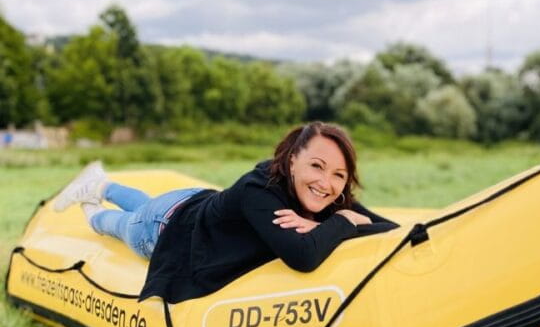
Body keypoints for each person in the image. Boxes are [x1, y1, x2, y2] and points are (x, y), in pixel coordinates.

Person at [53, 122, 398, 303]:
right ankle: (92, 203)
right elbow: (302, 256)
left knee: (144, 205)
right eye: (317, 166)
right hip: (168, 227)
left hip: (192, 201)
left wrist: (343, 219)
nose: (327, 183)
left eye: (339, 174)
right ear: (293, 160)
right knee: (121, 223)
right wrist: (342, 221)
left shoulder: (324, 193)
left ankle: (101, 183)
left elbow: (387, 229)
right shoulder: (258, 190)